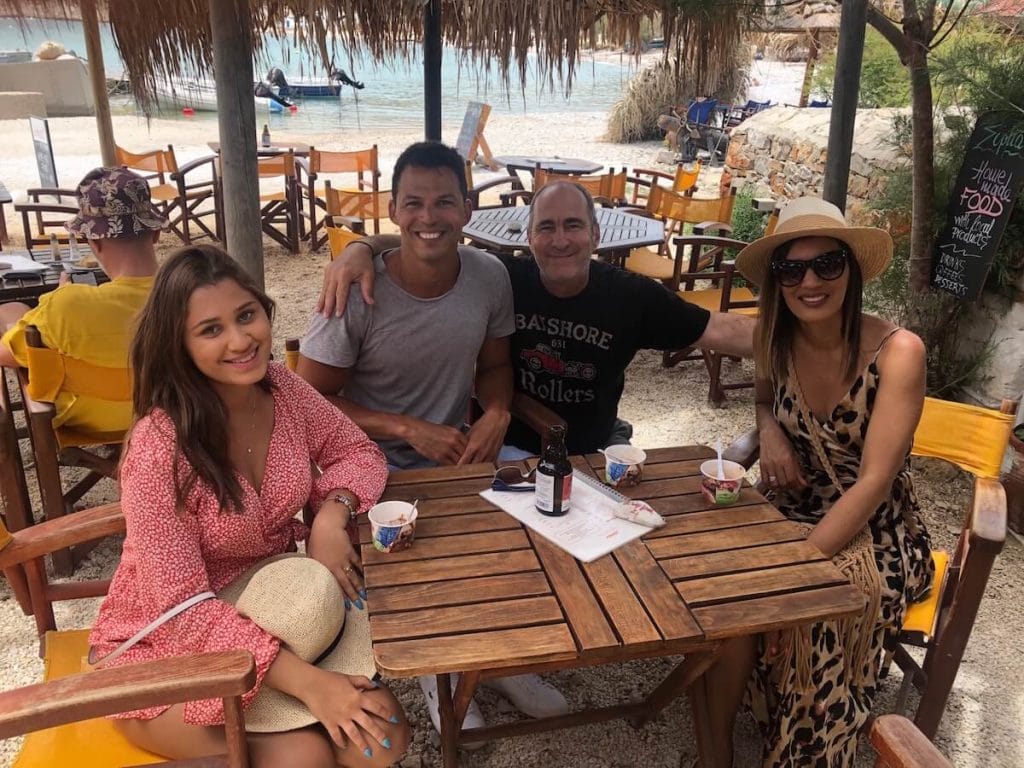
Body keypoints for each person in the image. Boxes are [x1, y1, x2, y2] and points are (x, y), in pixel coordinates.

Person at [88, 245, 409, 768]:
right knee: (305, 756)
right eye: (211, 330)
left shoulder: (283, 388)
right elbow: (182, 610)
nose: (240, 341)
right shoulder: (158, 446)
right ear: (179, 345)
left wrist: (333, 511)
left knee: (383, 739)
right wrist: (314, 687)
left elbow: (357, 451)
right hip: (166, 650)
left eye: (246, 315)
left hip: (283, 610)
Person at [296, 141, 568, 736]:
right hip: (364, 467)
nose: (429, 217)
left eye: (445, 201)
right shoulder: (355, 292)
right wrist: (404, 427)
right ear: (392, 209)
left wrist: (496, 411)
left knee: (547, 515)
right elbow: (306, 401)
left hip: (457, 456)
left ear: (467, 209)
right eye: (413, 203)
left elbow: (495, 366)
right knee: (429, 558)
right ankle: (437, 667)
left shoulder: (489, 276)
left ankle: (498, 659)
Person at [704, 198, 934, 767]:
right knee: (721, 593)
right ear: (778, 282)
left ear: (851, 271)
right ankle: (715, 750)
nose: (809, 281)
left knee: (813, 617)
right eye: (791, 269)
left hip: (875, 531)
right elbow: (763, 397)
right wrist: (770, 432)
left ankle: (800, 750)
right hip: (790, 507)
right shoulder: (775, 339)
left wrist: (791, 572)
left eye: (827, 265)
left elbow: (876, 482)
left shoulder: (898, 353)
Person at [317, 180, 755, 456]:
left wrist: (808, 335)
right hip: (512, 444)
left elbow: (721, 329)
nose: (560, 240)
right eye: (546, 228)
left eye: (573, 226)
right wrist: (363, 247)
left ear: (596, 235)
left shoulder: (632, 295)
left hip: (600, 446)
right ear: (528, 238)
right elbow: (429, 241)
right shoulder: (501, 277)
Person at [0, 167, 163, 433]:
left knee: (11, 313)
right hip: (178, 418)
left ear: (93, 242)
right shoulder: (191, 294)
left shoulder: (66, 304)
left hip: (90, 423)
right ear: (155, 234)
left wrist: (59, 296)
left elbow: (6, 355)